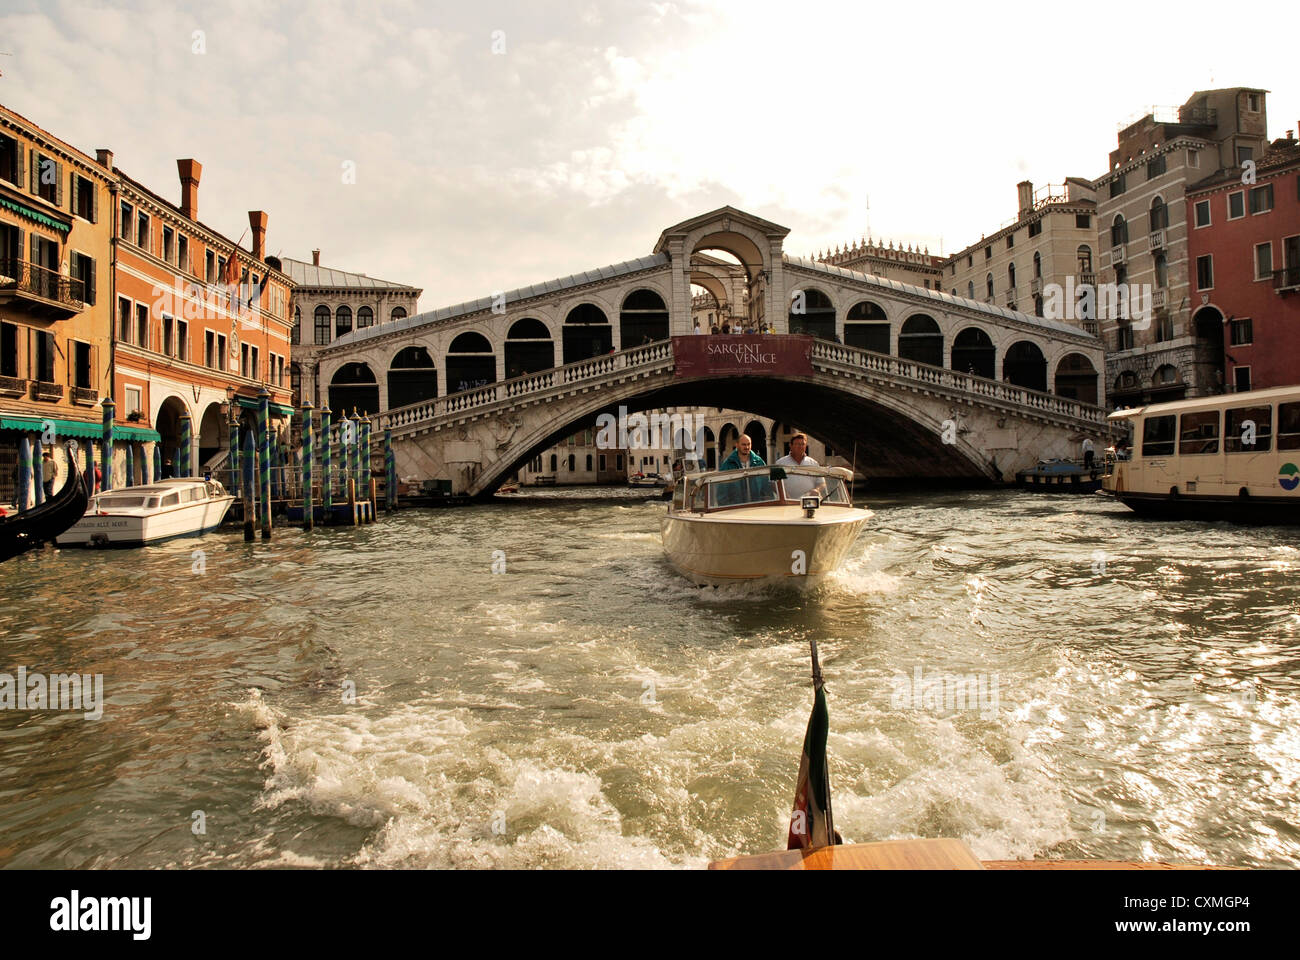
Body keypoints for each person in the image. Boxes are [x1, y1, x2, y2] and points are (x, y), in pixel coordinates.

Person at [775, 432, 825, 499]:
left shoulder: (814, 463)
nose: (800, 446)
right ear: (790, 445)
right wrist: (784, 496)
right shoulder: (779, 463)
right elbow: (774, 483)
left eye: (803, 444)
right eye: (797, 444)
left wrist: (817, 490)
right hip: (787, 503)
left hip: (809, 503)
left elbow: (822, 483)